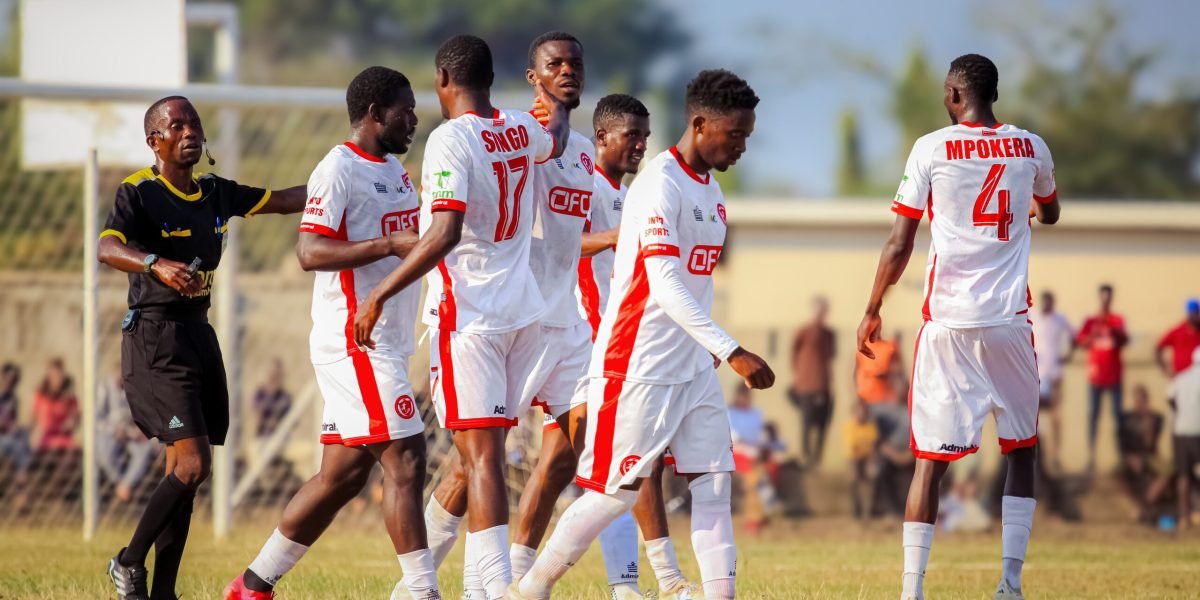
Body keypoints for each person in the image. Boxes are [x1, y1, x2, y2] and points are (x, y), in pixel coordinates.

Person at [517, 69, 774, 600]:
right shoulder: (659, 185)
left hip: (692, 367)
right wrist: (732, 350)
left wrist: (709, 354)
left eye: (748, 135)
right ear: (701, 124)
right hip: (637, 362)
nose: (743, 146)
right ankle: (530, 588)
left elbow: (696, 288)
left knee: (714, 482)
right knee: (616, 493)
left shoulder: (714, 191)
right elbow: (664, 284)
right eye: (736, 134)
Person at [354, 35, 570, 600]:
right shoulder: (522, 128)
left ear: (443, 80)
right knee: (475, 459)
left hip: (470, 315)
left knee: (482, 460)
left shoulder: (451, 140)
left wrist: (379, 296)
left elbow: (444, 233)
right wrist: (560, 102)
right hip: (522, 309)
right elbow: (556, 137)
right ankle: (419, 589)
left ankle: (492, 588)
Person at [224, 66, 438, 600]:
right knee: (408, 457)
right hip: (355, 341)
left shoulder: (393, 169)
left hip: (385, 338)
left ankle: (251, 586)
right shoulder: (338, 168)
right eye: (404, 110)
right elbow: (310, 252)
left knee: (341, 477)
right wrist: (387, 246)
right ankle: (421, 591)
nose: (413, 119)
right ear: (374, 114)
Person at [856, 54, 1060, 600]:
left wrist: (873, 306)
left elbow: (900, 241)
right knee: (1021, 449)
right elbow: (1051, 210)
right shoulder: (1031, 147)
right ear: (994, 93)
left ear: (953, 94)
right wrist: (1026, 214)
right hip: (1010, 322)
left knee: (930, 461)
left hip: (947, 321)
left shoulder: (931, 148)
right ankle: (1010, 583)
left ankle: (912, 591)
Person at [98, 94, 306, 600]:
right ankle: (127, 562)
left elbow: (284, 198)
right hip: (154, 337)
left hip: (197, 335)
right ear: (156, 140)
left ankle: (163, 592)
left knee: (183, 473)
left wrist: (349, 176)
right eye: (177, 124)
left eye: (193, 122)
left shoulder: (215, 193)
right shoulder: (139, 192)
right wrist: (156, 264)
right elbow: (107, 247)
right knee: (192, 466)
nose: (190, 130)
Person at [1077, 284, 1128, 469]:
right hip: (1096, 376)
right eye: (1103, 297)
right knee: (1093, 416)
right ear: (1100, 298)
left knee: (1118, 417)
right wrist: (1093, 334)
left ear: (1111, 298)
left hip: (1114, 375)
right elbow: (1081, 342)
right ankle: (1091, 457)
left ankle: (1121, 457)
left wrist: (1114, 330)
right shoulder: (1091, 321)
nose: (1106, 300)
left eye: (1109, 297)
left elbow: (1125, 340)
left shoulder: (1117, 320)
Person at [789, 295, 836, 467]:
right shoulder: (804, 332)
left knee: (822, 424)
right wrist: (797, 379)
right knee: (807, 422)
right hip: (805, 386)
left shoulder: (829, 334)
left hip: (823, 386)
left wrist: (830, 385)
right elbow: (794, 354)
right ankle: (806, 456)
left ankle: (816, 458)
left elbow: (829, 359)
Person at [1029, 290, 1074, 468]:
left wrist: (1068, 356)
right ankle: (1035, 453)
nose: (1048, 305)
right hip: (1036, 375)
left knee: (1055, 418)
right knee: (1033, 417)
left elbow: (1074, 336)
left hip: (1055, 375)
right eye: (1046, 302)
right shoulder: (1033, 317)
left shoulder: (1060, 318)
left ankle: (1055, 455)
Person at [96, 374, 156, 503]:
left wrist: (140, 430)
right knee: (104, 451)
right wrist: (114, 430)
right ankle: (120, 484)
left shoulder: (139, 389)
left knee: (144, 450)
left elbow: (147, 416)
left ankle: (125, 486)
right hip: (110, 434)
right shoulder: (105, 389)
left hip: (131, 434)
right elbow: (97, 420)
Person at [1116, 385, 1168, 522]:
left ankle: (1148, 501)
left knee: (1167, 471)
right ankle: (1138, 508)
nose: (1139, 403)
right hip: (1131, 457)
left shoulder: (1155, 418)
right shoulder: (1126, 419)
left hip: (1150, 457)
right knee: (1118, 473)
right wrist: (1129, 458)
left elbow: (1149, 444)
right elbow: (1122, 444)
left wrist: (1148, 421)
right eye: (1137, 400)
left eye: (1142, 400)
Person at [727, 386, 769, 533]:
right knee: (752, 481)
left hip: (754, 454)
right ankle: (754, 517)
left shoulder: (755, 414)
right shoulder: (730, 413)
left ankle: (757, 515)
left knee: (756, 480)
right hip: (736, 453)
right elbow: (732, 437)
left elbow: (760, 436)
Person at [1170, 347, 1200, 530]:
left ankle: (1184, 518)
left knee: (1183, 476)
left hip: (1181, 431)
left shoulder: (1180, 378)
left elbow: (1171, 400)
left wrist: (1183, 415)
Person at [31, 357, 79, 452]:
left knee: (74, 451)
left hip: (64, 437)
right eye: (53, 375)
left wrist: (73, 421)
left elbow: (76, 416)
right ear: (48, 376)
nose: (56, 379)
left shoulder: (70, 397)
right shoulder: (40, 395)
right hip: (46, 437)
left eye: (59, 375)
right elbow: (37, 419)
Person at [844, 400, 879, 520]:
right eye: (858, 412)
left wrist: (871, 462)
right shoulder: (849, 427)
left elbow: (873, 446)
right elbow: (851, 449)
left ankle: (868, 512)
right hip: (854, 458)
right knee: (852, 479)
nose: (861, 414)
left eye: (863, 412)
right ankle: (855, 511)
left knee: (872, 478)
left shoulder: (870, 427)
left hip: (867, 457)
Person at [0, 363, 33, 485]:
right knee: (18, 444)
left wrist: (16, 426)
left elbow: (13, 420)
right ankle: (22, 473)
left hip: (7, 437)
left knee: (23, 433)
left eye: (15, 379)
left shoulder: (13, 398)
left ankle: (22, 472)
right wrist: (8, 426)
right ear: (2, 377)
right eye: (9, 378)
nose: (12, 382)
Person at [855, 332, 902, 410]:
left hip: (885, 399)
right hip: (866, 398)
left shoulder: (889, 348)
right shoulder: (862, 348)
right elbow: (856, 372)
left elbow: (897, 373)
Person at [1156, 298, 1200, 376]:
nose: (1195, 316)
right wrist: (1166, 370)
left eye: (1196, 313)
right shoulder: (1178, 331)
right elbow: (1159, 347)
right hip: (1181, 376)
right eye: (1192, 313)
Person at [251, 358, 292, 439]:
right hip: (261, 437)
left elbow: (291, 421)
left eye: (277, 375)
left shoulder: (285, 398)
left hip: (280, 439)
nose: (273, 378)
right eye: (271, 374)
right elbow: (256, 416)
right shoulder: (260, 394)